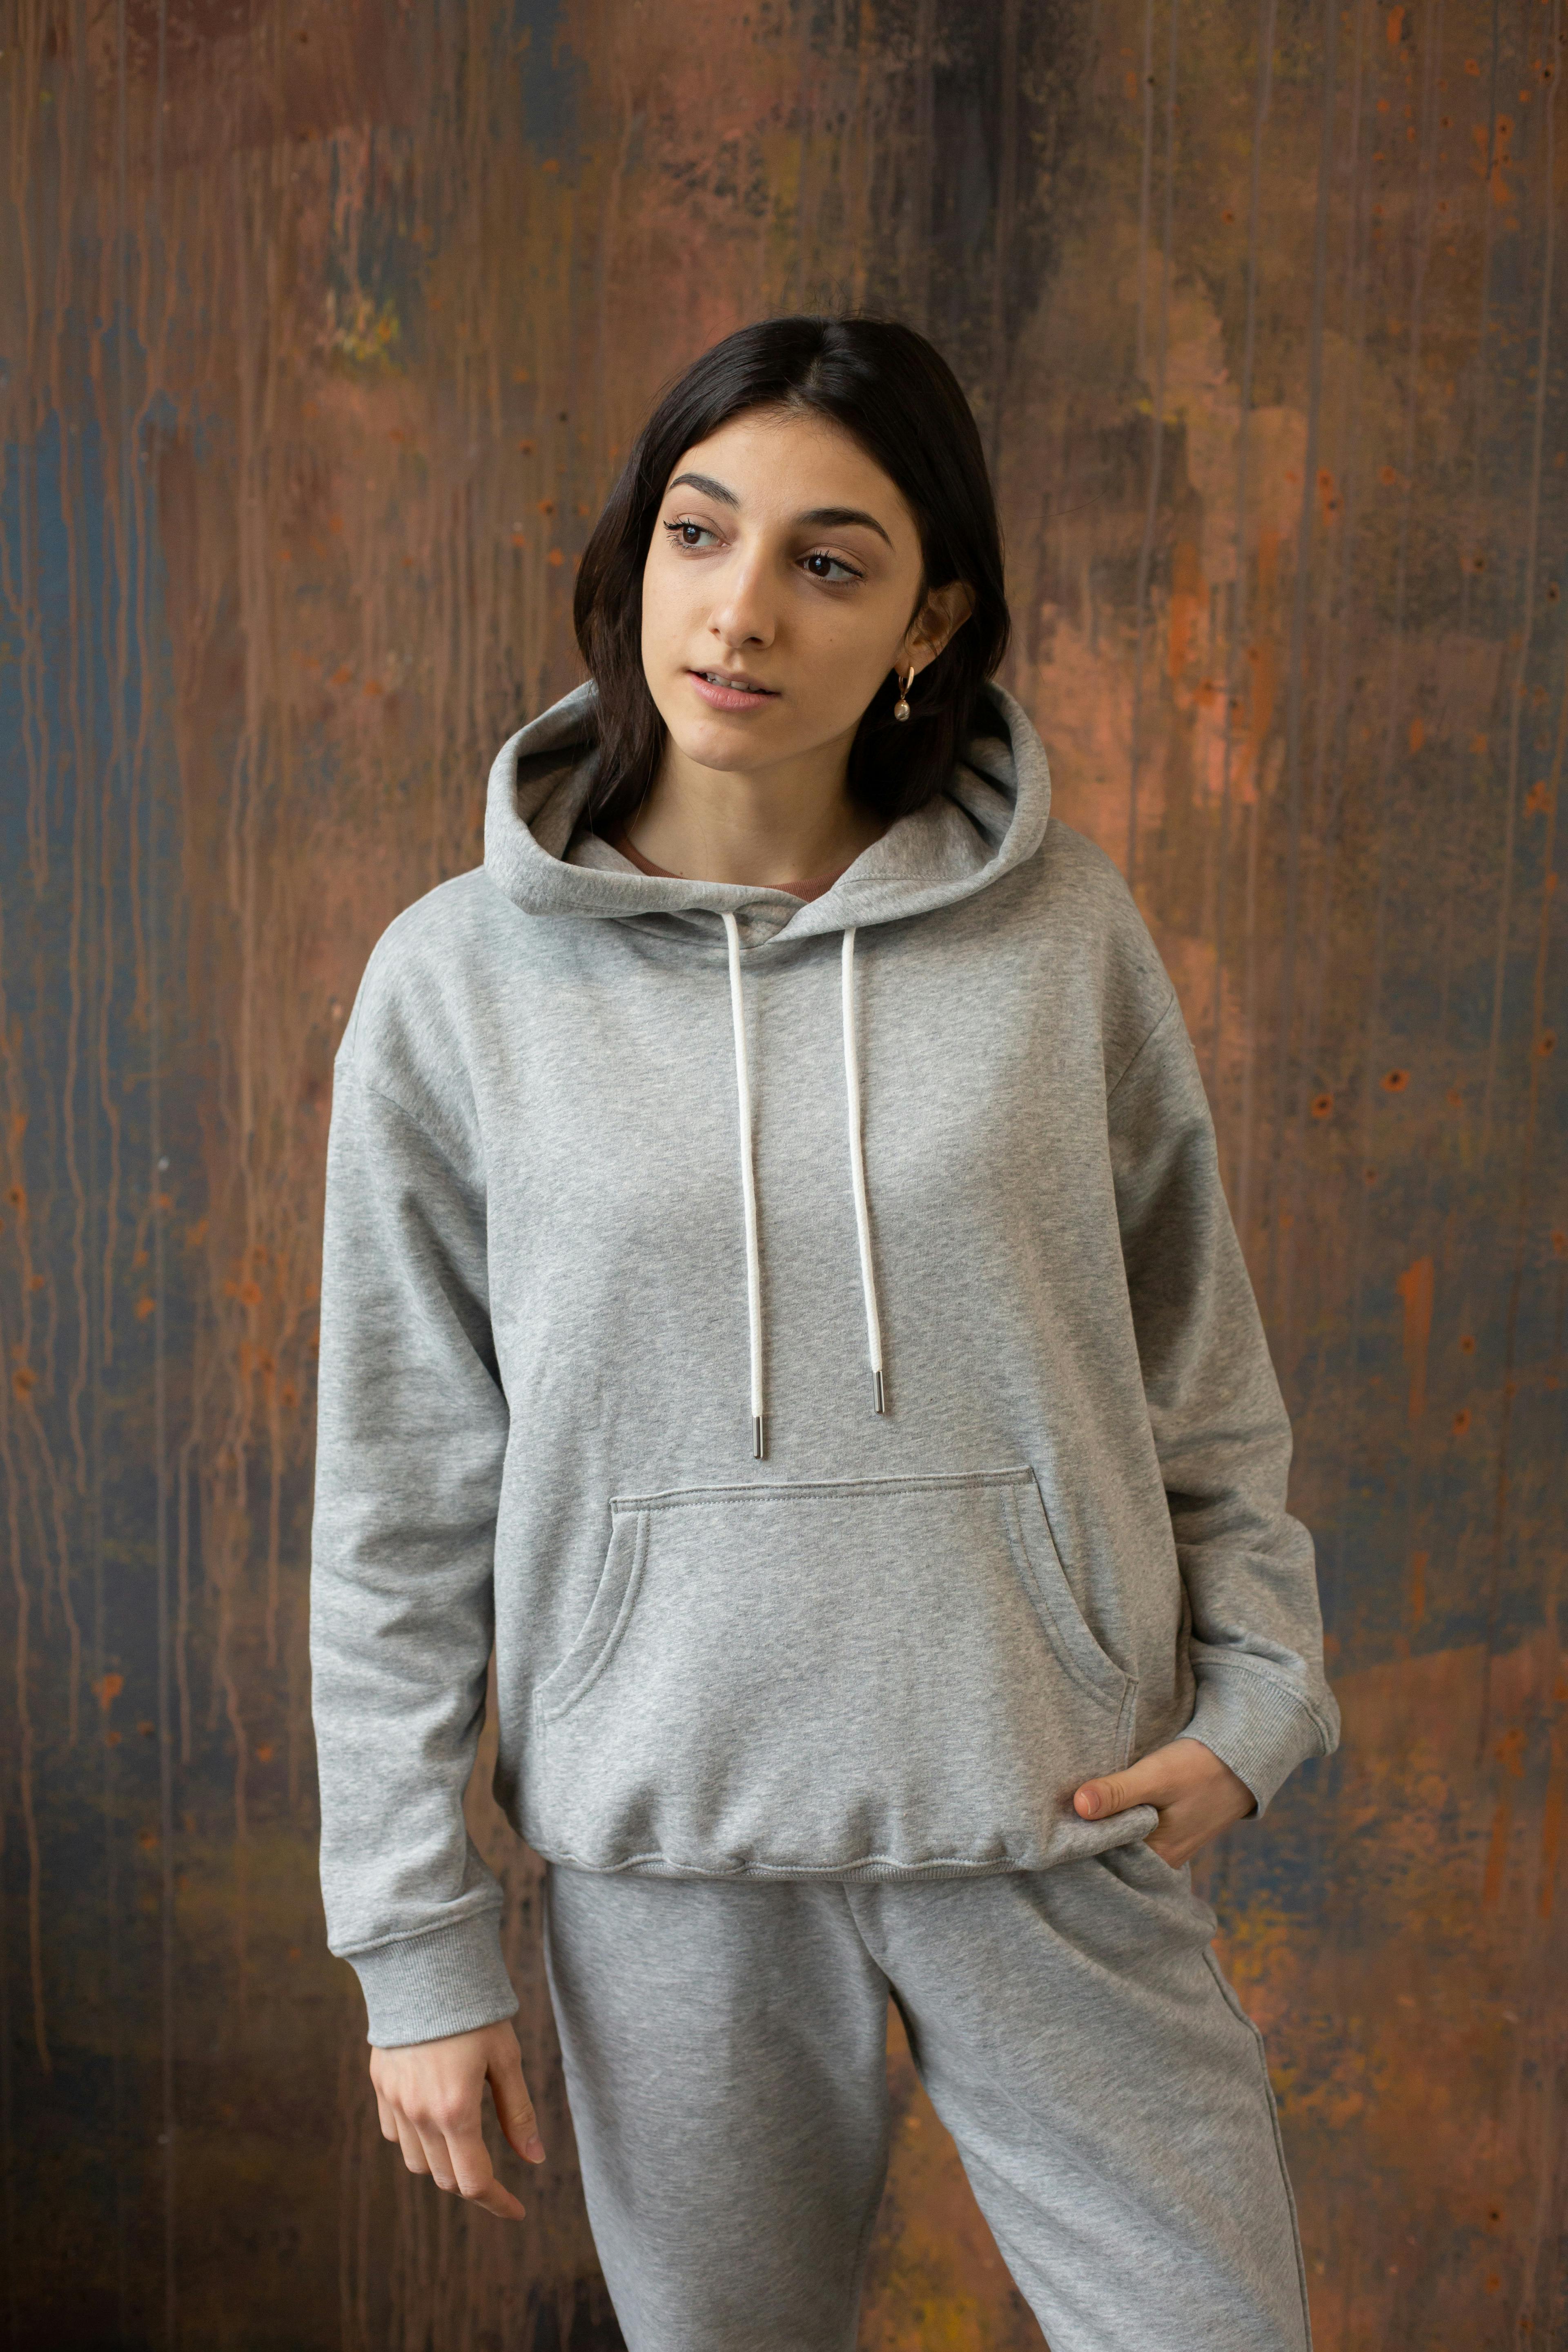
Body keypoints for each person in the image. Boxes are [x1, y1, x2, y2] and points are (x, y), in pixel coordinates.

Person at [309, 313, 1341, 2352]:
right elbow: (400, 1497)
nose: (742, 609)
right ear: (641, 556)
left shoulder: (1064, 939)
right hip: (668, 1854)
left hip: (1058, 1809)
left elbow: (1193, 1362)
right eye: (702, 534)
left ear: (930, 620)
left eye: (830, 561)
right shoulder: (457, 985)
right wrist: (416, 1947)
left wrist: (1267, 1692)